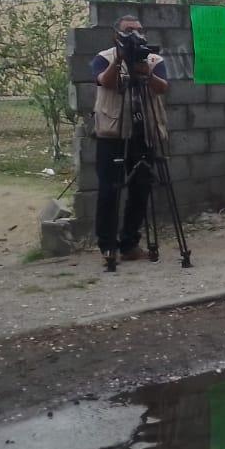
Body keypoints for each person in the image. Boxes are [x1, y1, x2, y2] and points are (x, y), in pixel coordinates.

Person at [92, 15, 170, 265]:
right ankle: (107, 246)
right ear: (117, 35)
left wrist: (147, 74)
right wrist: (120, 59)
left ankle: (130, 243)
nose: (136, 35)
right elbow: (105, 82)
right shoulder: (103, 57)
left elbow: (162, 88)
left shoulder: (153, 58)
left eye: (139, 30)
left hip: (143, 132)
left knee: (141, 189)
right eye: (129, 31)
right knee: (109, 190)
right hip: (113, 133)